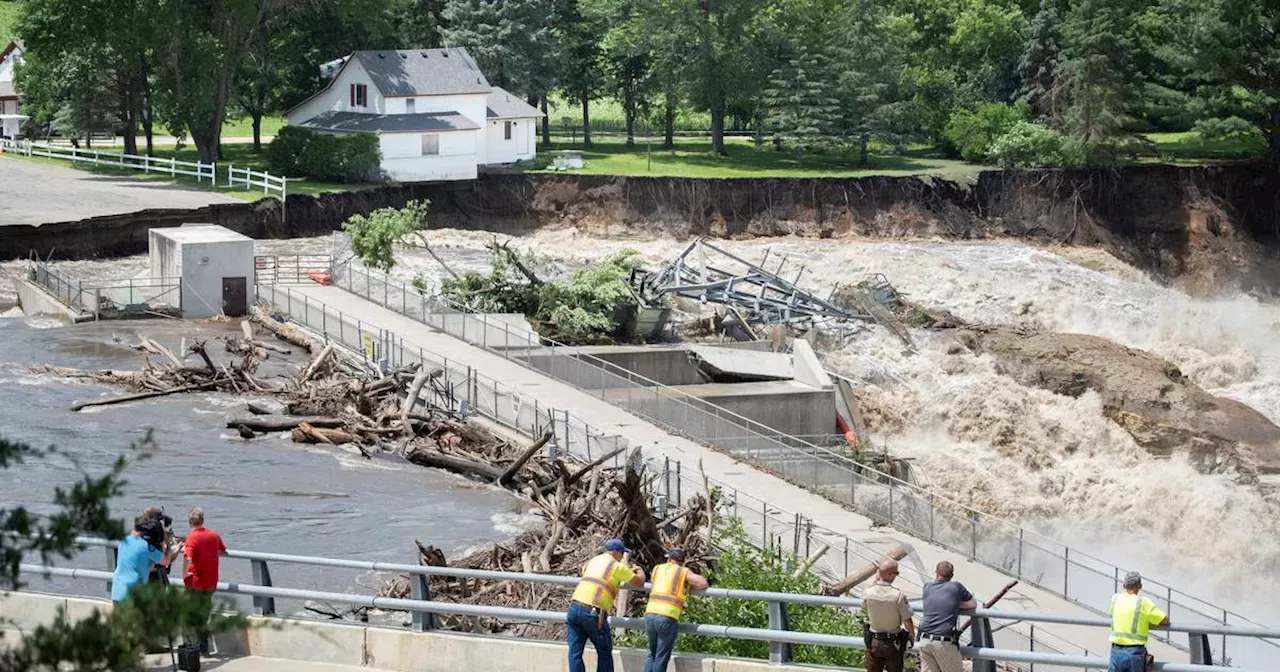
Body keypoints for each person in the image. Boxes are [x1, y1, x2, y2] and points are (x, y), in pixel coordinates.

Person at [567, 539, 646, 672]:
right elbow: (638, 582)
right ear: (616, 552)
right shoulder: (617, 566)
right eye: (621, 553)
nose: (622, 557)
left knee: (575, 651)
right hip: (592, 612)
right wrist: (640, 571)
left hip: (574, 607)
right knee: (604, 651)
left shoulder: (593, 561)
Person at [642, 547, 709, 672]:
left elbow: (654, 581)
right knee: (661, 656)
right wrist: (687, 583)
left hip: (650, 613)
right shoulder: (683, 571)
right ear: (682, 561)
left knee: (652, 653)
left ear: (668, 559)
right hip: (667, 616)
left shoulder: (657, 568)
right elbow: (702, 583)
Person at [917, 561, 978, 672]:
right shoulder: (956, 587)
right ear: (952, 576)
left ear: (936, 573)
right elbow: (972, 604)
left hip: (924, 640)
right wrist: (954, 603)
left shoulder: (927, 587)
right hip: (943, 641)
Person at [183, 507, 226, 653]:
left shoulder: (191, 538)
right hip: (211, 581)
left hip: (195, 582)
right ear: (203, 520)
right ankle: (203, 647)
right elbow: (222, 550)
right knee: (204, 614)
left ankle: (192, 649)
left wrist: (184, 574)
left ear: (190, 523)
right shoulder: (214, 535)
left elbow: (188, 557)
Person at [111, 511, 179, 603]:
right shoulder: (147, 548)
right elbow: (166, 561)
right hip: (133, 594)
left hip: (117, 591)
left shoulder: (124, 540)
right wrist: (168, 546)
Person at [860, 558, 915, 672]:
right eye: (896, 573)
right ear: (890, 574)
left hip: (874, 641)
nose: (896, 576)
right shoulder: (898, 595)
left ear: (879, 573)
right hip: (893, 642)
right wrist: (911, 636)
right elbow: (907, 619)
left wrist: (876, 580)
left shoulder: (868, 592)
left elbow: (864, 607)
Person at [1109, 572, 1169, 672]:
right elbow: (1164, 619)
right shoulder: (1142, 602)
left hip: (1116, 652)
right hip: (1134, 653)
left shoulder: (1115, 598)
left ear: (1124, 585)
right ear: (1139, 586)